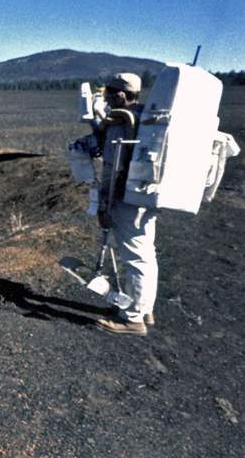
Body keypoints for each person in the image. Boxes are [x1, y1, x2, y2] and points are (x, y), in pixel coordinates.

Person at [92, 72, 157, 336]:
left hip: (126, 197)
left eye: (108, 93)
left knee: (135, 257)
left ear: (120, 95)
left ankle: (133, 320)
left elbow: (113, 166)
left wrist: (104, 203)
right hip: (146, 195)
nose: (105, 97)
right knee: (145, 253)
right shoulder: (148, 117)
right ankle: (144, 307)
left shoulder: (122, 121)